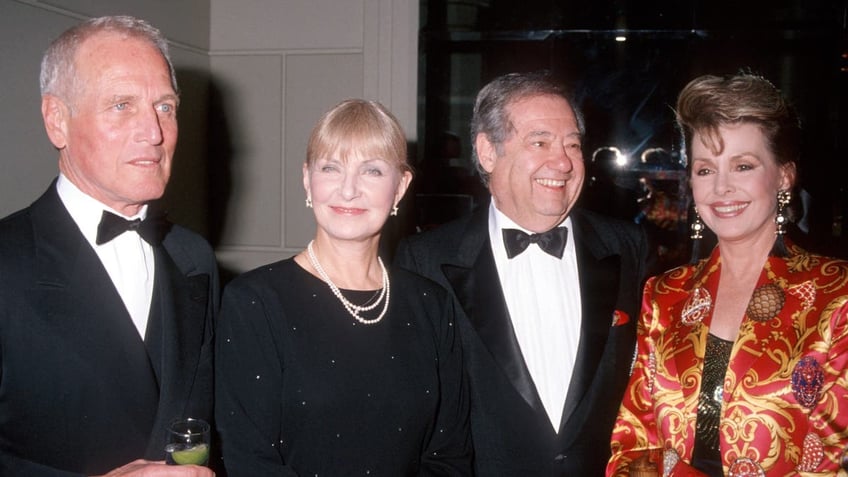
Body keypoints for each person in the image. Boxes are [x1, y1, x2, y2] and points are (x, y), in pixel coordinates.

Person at [395, 71, 655, 476]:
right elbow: (413, 419)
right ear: (487, 152)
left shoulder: (627, 247)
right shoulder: (424, 261)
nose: (564, 162)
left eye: (572, 144)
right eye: (540, 142)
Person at [0, 16, 218, 477]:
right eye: (121, 105)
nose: (154, 134)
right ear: (57, 121)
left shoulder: (194, 257)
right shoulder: (6, 263)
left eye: (165, 107)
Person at [607, 73, 848, 476]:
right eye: (705, 170)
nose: (721, 187)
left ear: (784, 176)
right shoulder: (665, 295)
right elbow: (631, 443)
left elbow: (833, 460)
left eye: (743, 166)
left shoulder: (835, 296)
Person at [215, 99, 471, 476]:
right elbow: (250, 461)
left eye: (372, 171)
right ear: (307, 179)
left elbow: (450, 457)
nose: (348, 190)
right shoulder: (254, 302)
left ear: (400, 187)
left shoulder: (431, 305)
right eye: (331, 168)